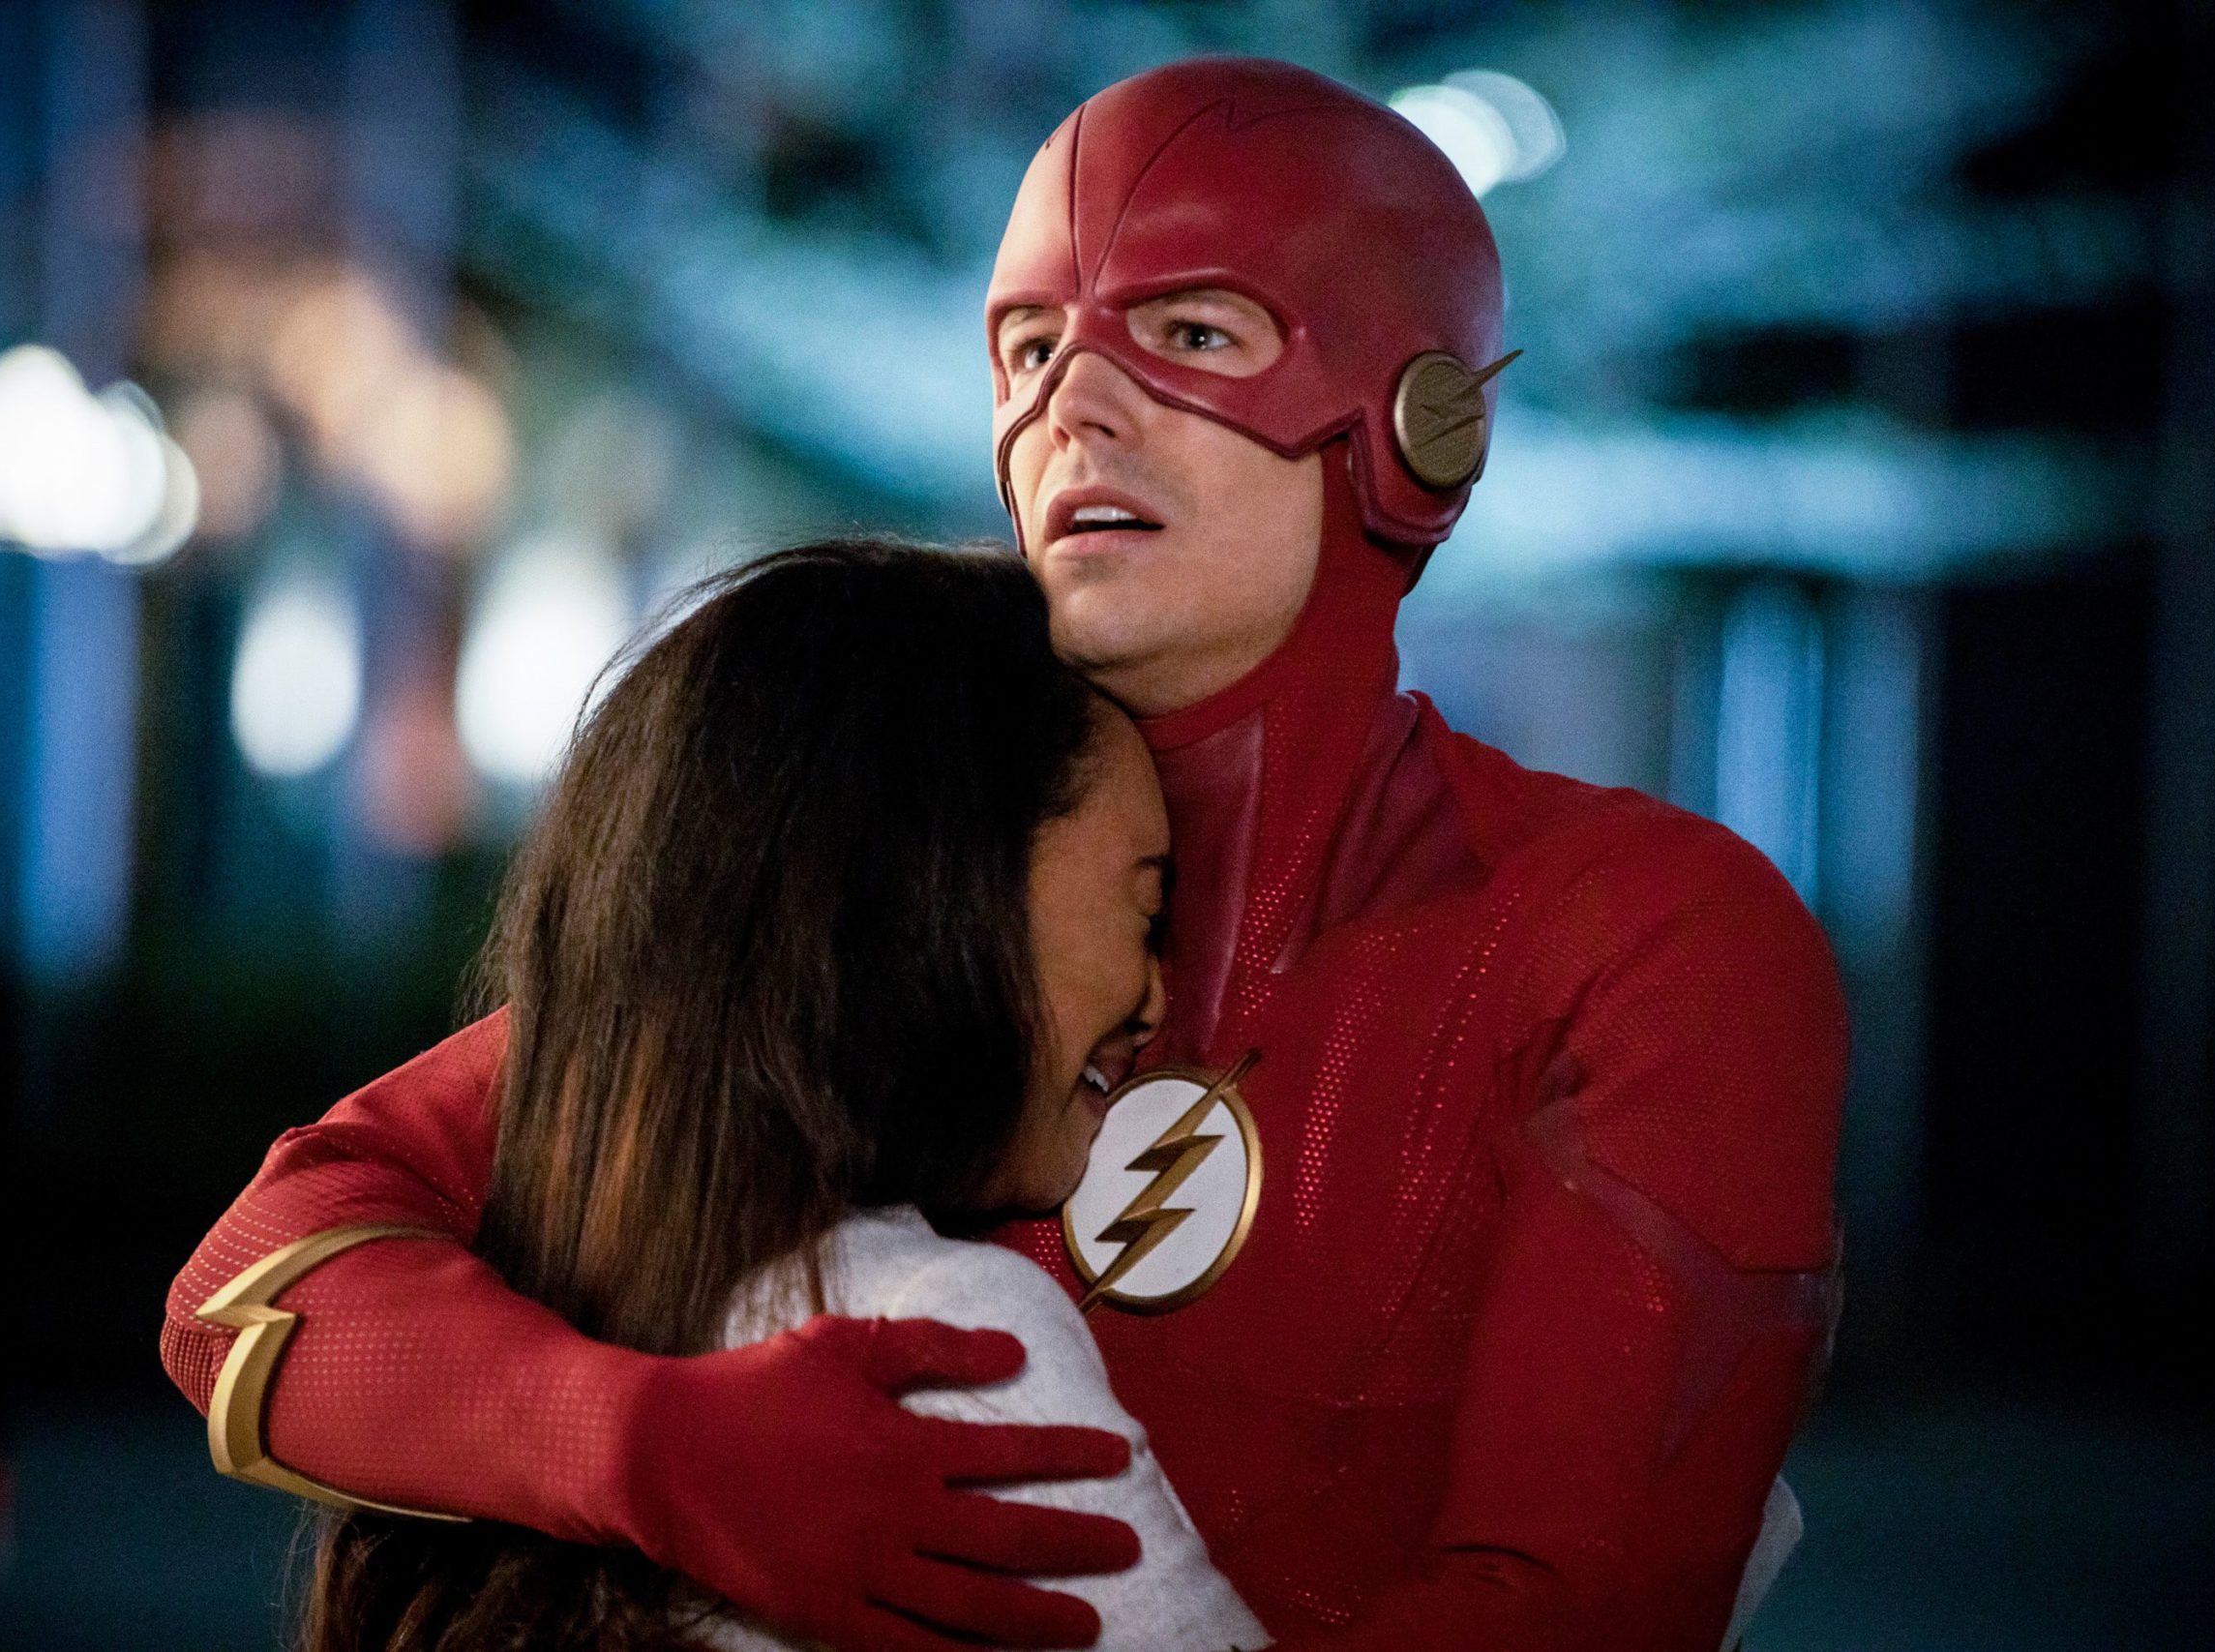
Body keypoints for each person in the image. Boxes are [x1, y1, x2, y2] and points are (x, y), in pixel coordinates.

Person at [165, 57, 1844, 1652]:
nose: (1071, 408)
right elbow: (255, 1287)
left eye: (1194, 333)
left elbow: (1576, 1606)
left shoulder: (1643, 936)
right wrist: (643, 1441)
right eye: (1030, 344)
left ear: (1419, 424)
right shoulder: (876, 866)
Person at [295, 539, 1266, 1651]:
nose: (1158, 1000)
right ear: (950, 890)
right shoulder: (942, 1337)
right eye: (1144, 912)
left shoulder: (495, 1299)